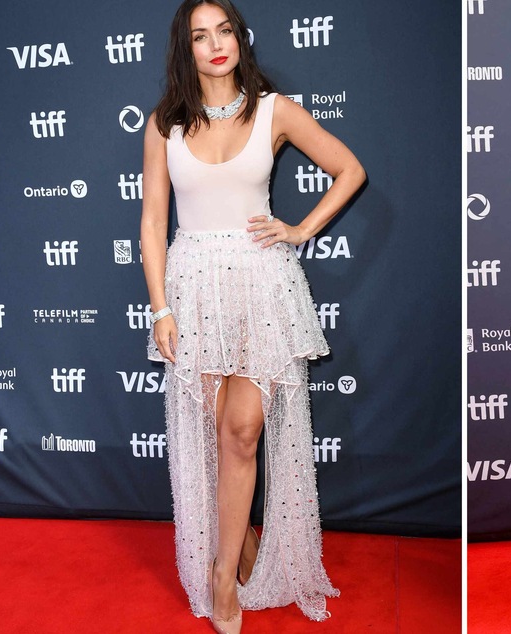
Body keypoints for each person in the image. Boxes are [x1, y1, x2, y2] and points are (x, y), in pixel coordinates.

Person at [140, 1, 365, 632]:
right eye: (200, 36)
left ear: (239, 38)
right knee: (218, 434)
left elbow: (350, 170)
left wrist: (300, 229)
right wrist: (160, 307)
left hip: (261, 287)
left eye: (225, 31)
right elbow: (154, 223)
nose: (216, 45)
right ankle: (238, 547)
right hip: (193, 291)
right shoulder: (163, 124)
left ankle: (221, 574)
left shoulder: (275, 110)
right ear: (185, 49)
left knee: (242, 430)